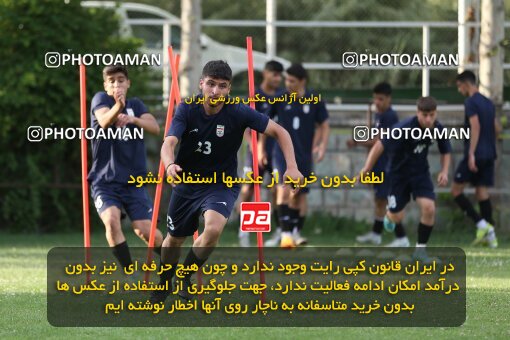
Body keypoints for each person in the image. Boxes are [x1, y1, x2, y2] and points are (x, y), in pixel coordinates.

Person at [150, 60, 303, 303]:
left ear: (229, 89)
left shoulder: (238, 111)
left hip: (221, 184)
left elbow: (280, 132)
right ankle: (165, 280)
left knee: (212, 229)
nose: (215, 92)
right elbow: (168, 143)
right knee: (174, 239)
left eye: (222, 86)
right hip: (186, 182)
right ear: (201, 84)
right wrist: (169, 165)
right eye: (210, 84)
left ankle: (185, 276)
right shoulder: (187, 109)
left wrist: (292, 167)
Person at [88, 65, 163, 271]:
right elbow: (104, 121)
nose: (116, 84)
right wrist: (118, 108)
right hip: (105, 181)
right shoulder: (100, 100)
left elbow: (155, 128)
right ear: (105, 85)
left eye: (121, 80)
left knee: (147, 232)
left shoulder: (136, 105)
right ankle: (129, 272)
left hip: (133, 182)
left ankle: (173, 266)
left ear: (128, 83)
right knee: (111, 221)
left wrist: (133, 119)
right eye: (111, 81)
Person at [359, 96, 451, 261]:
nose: (428, 119)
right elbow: (380, 144)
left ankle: (420, 251)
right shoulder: (403, 128)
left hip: (420, 174)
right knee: (397, 218)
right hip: (398, 176)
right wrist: (367, 168)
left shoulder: (438, 128)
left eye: (432, 115)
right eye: (425, 115)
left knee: (429, 208)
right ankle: (389, 215)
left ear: (436, 113)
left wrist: (444, 171)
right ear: (418, 113)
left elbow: (446, 151)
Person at [263, 63, 330, 248]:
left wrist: (322, 146)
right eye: (286, 79)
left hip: (303, 155)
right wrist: (261, 148)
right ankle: (285, 234)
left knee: (298, 194)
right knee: (283, 190)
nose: (287, 83)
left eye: (292, 80)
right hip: (280, 154)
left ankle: (294, 232)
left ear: (302, 81)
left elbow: (324, 124)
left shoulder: (314, 99)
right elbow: (265, 123)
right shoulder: (279, 98)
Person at [347, 82, 408, 246]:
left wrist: (357, 141)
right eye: (375, 99)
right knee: (379, 200)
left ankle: (401, 237)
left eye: (380, 99)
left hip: (388, 165)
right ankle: (376, 234)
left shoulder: (390, 116)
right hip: (378, 163)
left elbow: (380, 140)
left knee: (389, 200)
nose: (377, 102)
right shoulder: (379, 115)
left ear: (389, 99)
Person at [237, 60, 284, 247]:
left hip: (276, 151)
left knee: (277, 190)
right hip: (255, 151)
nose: (278, 79)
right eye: (275, 74)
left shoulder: (282, 96)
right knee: (248, 188)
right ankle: (244, 233)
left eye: (280, 76)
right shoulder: (254, 95)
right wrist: (255, 147)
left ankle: (280, 230)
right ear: (265, 73)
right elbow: (245, 128)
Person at [451, 70, 498, 248]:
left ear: (466, 84)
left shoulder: (470, 102)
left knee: (456, 190)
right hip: (489, 153)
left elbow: (475, 127)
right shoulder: (488, 102)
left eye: (459, 86)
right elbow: (496, 127)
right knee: (481, 192)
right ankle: (490, 236)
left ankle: (481, 224)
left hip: (476, 154)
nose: (459, 90)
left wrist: (471, 153)